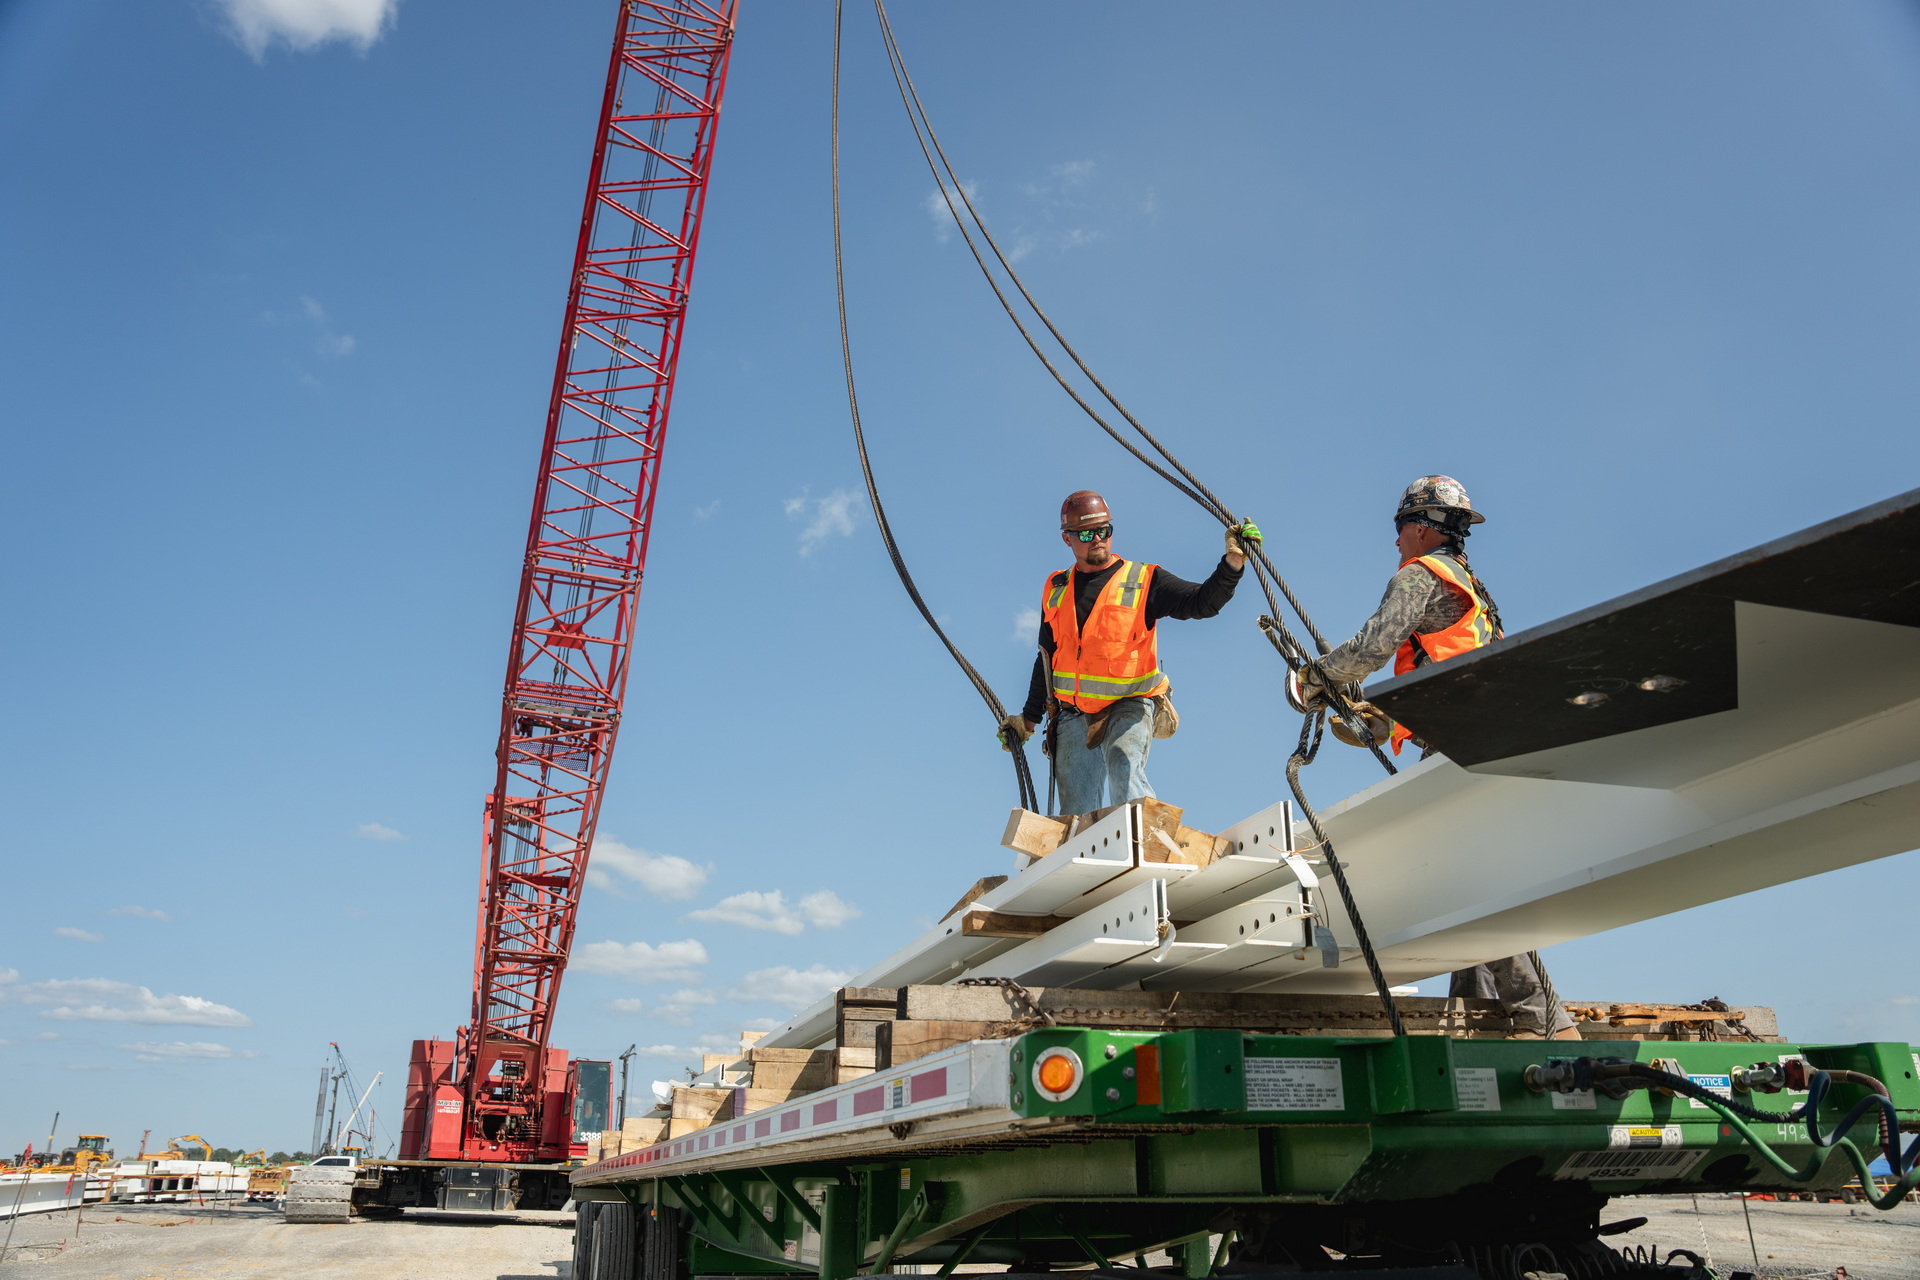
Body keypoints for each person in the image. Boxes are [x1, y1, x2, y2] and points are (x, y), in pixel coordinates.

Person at [1295, 475, 1577, 1040]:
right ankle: (1478, 1012)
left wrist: (1318, 676)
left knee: (1463, 871)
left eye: (1400, 529)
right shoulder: (1470, 588)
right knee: (1462, 876)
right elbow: (1444, 672)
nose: (1396, 542)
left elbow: (1374, 645)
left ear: (1420, 527)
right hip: (1482, 739)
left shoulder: (1421, 575)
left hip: (1460, 743)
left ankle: (1538, 1014)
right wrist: (1384, 722)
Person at [998, 490, 1259, 818]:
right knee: (1075, 813)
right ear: (1067, 539)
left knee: (1124, 763)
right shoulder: (1056, 588)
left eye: (1104, 531)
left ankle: (1148, 841)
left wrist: (1233, 563)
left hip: (1130, 703)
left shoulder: (1143, 581)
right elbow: (1046, 657)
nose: (1098, 540)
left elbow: (1202, 602)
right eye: (1087, 534)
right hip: (1074, 714)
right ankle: (1089, 867)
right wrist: (1029, 719)